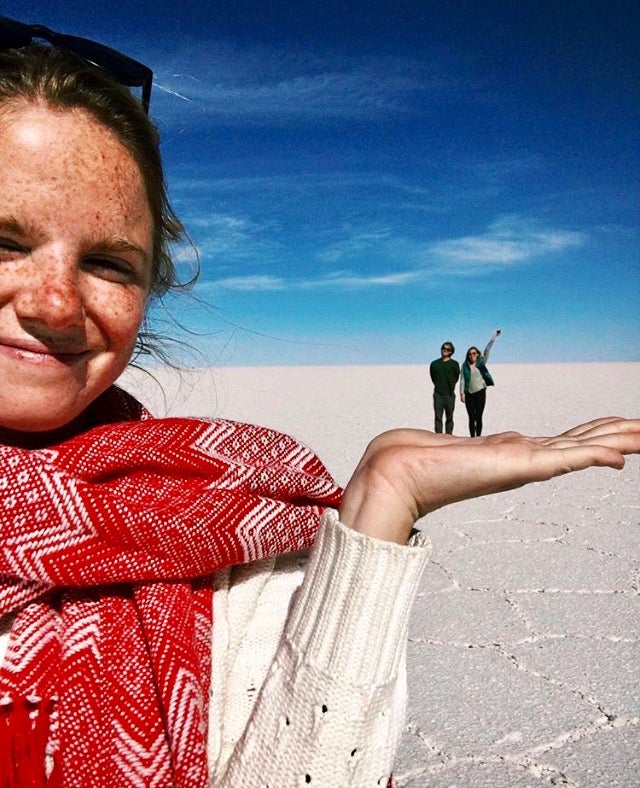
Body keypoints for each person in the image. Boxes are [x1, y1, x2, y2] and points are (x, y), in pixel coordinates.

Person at [0, 19, 638, 788]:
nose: (59, 303)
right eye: (4, 242)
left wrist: (383, 503)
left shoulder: (220, 527)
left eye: (107, 261)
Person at [460, 329, 501, 437]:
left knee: (478, 416)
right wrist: (461, 393)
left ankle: (478, 437)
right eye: (470, 354)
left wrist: (494, 337)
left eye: (474, 353)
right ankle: (472, 438)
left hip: (480, 392)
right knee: (471, 417)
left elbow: (487, 349)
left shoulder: (481, 363)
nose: (472, 355)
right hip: (469, 393)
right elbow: (462, 380)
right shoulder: (464, 366)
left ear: (478, 354)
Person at [429, 341, 460, 434]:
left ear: (451, 352)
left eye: (447, 349)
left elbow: (456, 377)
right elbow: (433, 377)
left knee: (449, 417)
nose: (445, 350)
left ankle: (448, 436)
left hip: (449, 394)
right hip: (438, 394)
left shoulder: (454, 364)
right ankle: (438, 437)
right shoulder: (434, 364)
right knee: (438, 417)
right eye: (443, 348)